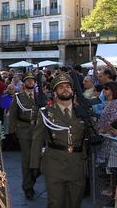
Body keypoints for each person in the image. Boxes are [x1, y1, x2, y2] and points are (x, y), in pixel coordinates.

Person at [30, 73, 87, 208]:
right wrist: (34, 165)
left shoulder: (83, 112)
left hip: (77, 164)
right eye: (60, 87)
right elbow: (37, 140)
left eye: (68, 86)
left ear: (73, 91)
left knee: (75, 202)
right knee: (55, 202)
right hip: (54, 164)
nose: (65, 89)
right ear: (55, 93)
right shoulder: (46, 113)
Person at [8, 72, 38, 200]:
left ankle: (32, 179)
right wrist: (11, 132)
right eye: (28, 80)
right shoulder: (18, 97)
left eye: (32, 80)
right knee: (26, 160)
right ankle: (28, 187)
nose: (30, 82)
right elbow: (13, 114)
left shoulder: (40, 96)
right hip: (24, 130)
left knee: (38, 159)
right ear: (24, 83)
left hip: (38, 131)